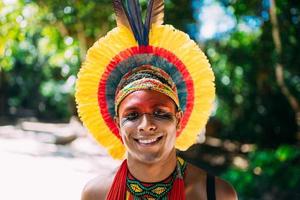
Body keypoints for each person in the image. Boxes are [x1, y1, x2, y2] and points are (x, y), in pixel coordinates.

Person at [75, 0, 237, 199]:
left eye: (160, 113)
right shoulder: (96, 194)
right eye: (132, 115)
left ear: (179, 119)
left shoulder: (215, 194)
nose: (146, 125)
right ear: (117, 124)